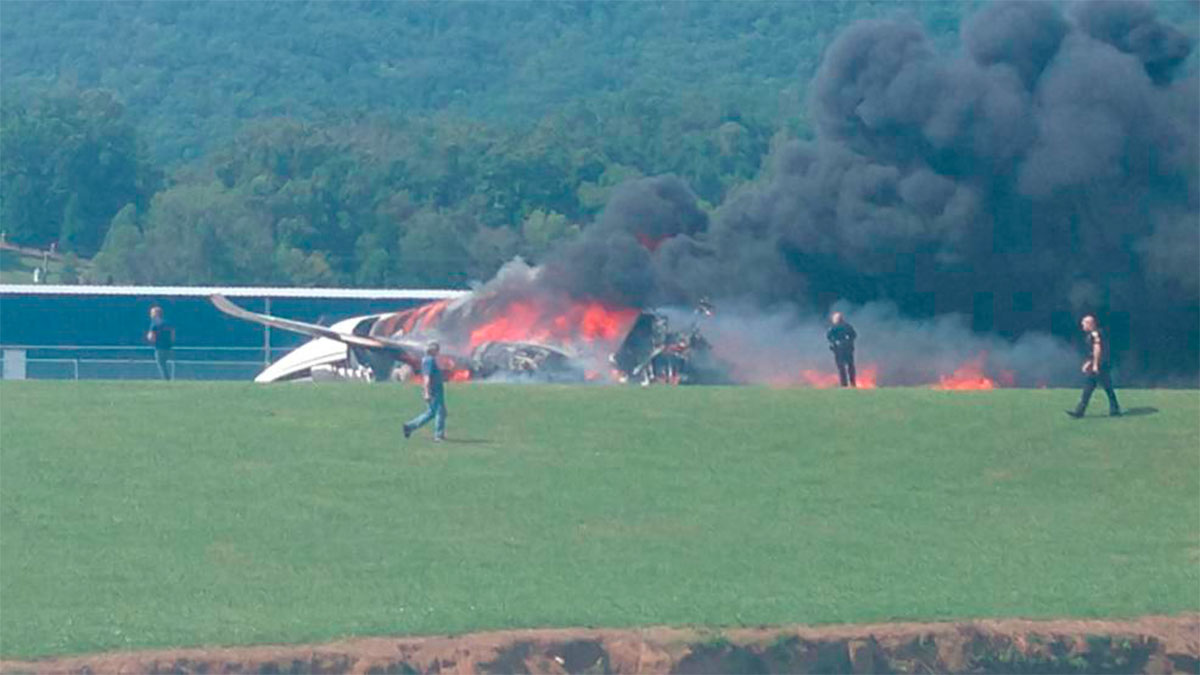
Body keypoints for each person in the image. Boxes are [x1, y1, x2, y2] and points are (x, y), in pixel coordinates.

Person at [1067, 315, 1120, 418]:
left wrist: (1095, 365)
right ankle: (1114, 410)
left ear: (1089, 324)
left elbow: (1097, 349)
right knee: (1103, 388)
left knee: (1093, 388)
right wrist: (1089, 363)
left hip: (1100, 366)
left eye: (1083, 323)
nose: (1082, 326)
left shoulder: (1095, 334)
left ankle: (1079, 412)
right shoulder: (1095, 334)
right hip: (1101, 364)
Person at [403, 341, 447, 441]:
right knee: (440, 412)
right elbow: (427, 377)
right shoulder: (429, 361)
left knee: (432, 413)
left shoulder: (428, 360)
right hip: (434, 390)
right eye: (436, 349)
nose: (438, 351)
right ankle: (438, 435)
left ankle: (409, 426)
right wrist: (427, 392)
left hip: (436, 389)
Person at [826, 311, 858, 388]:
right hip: (849, 349)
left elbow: (829, 337)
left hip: (839, 349)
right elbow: (854, 335)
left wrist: (835, 343)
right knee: (850, 366)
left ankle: (844, 384)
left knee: (841, 367)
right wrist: (849, 341)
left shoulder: (833, 328)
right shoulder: (848, 326)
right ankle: (853, 383)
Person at [146, 305, 175, 380]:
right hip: (169, 347)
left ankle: (166, 379)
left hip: (159, 347)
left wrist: (150, 338)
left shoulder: (154, 324)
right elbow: (172, 334)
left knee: (161, 364)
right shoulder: (168, 323)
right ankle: (170, 378)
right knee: (171, 363)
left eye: (152, 313)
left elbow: (152, 337)